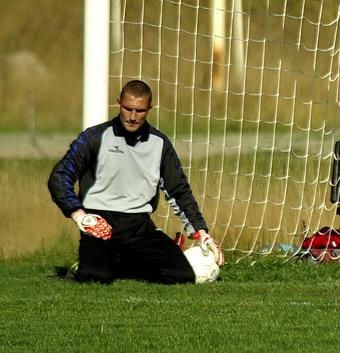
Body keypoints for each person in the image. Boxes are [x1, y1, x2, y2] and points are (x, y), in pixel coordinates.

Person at [48, 79, 224, 284]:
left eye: (139, 111)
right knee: (96, 277)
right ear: (118, 104)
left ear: (149, 109)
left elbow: (179, 190)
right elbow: (59, 177)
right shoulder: (94, 137)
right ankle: (89, 264)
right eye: (127, 108)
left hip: (139, 226)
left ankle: (122, 261)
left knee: (181, 275)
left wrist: (201, 232)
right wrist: (80, 216)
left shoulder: (160, 143)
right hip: (99, 223)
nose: (132, 117)